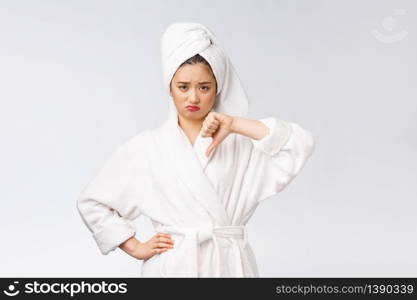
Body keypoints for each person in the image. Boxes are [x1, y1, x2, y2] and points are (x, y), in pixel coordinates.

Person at [76, 22, 315, 277]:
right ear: (170, 88)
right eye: (183, 87)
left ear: (217, 89)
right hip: (173, 266)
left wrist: (235, 124)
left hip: (229, 266)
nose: (193, 98)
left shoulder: (240, 144)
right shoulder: (147, 147)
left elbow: (300, 144)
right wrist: (134, 246)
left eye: (204, 87)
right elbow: (93, 202)